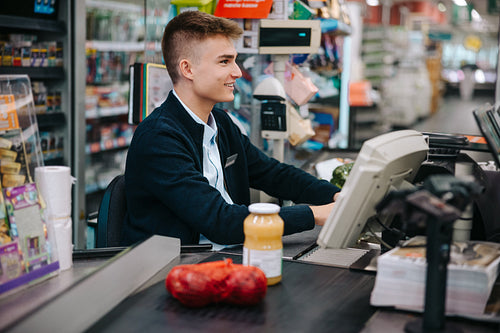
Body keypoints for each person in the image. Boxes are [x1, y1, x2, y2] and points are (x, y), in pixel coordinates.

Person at [122, 10, 340, 246]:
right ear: (188, 69)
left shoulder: (221, 123)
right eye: (224, 61)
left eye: (234, 60)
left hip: (229, 255)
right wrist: (315, 214)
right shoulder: (159, 138)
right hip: (178, 269)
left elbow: (274, 174)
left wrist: (335, 196)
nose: (237, 72)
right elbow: (221, 222)